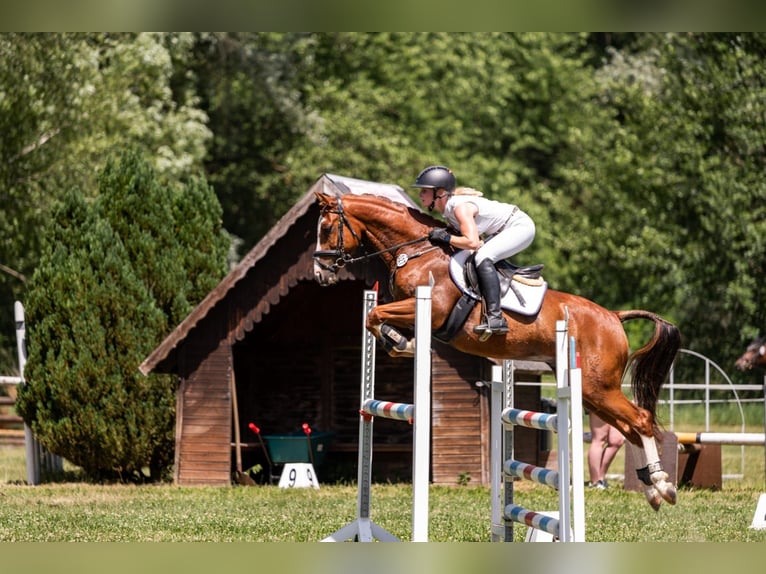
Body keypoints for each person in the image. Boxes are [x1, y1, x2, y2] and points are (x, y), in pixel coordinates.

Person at [413, 165, 536, 336]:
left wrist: (446, 238)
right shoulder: (449, 211)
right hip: (503, 229)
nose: (420, 195)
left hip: (520, 227)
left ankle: (495, 317)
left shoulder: (459, 208)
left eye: (424, 191)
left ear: (439, 192)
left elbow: (472, 242)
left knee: (482, 257)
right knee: (479, 255)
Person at [587, 412, 625, 489]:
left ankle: (601, 479)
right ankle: (595, 482)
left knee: (616, 440)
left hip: (616, 402)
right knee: (599, 439)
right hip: (600, 401)